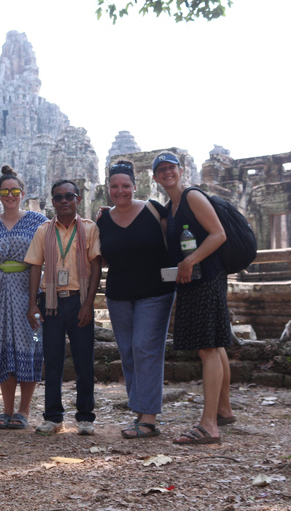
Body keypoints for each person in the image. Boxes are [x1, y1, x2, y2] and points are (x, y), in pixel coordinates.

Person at [151, 151, 235, 445]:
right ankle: (224, 409)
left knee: (207, 349)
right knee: (215, 343)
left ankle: (209, 425)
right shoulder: (171, 207)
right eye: (160, 170)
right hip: (192, 280)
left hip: (206, 277)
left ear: (181, 170)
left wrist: (190, 261)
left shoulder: (192, 197)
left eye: (171, 168)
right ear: (155, 176)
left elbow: (218, 234)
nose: (166, 173)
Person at [97, 160, 176, 439]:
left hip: (155, 292)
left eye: (126, 186)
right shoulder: (103, 219)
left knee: (146, 348)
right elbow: (102, 257)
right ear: (108, 189)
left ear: (135, 186)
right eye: (115, 186)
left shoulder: (154, 209)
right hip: (118, 294)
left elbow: (174, 242)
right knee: (129, 351)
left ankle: (149, 418)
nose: (120, 191)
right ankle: (140, 411)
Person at [25, 180, 102, 436]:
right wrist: (32, 303)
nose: (64, 201)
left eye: (69, 196)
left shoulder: (90, 229)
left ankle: (85, 416)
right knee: (53, 359)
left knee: (83, 360)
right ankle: (53, 416)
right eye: (58, 197)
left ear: (78, 199)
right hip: (51, 301)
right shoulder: (43, 231)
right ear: (53, 202)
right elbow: (35, 266)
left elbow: (95, 268)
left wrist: (89, 303)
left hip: (79, 300)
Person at [0, 165, 47, 430]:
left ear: (22, 193)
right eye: (5, 191)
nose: (10, 195)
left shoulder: (36, 221)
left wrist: (36, 301)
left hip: (28, 287)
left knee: (29, 344)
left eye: (15, 190)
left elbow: (44, 259)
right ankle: (6, 409)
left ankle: (24, 410)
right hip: (0, 290)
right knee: (3, 345)